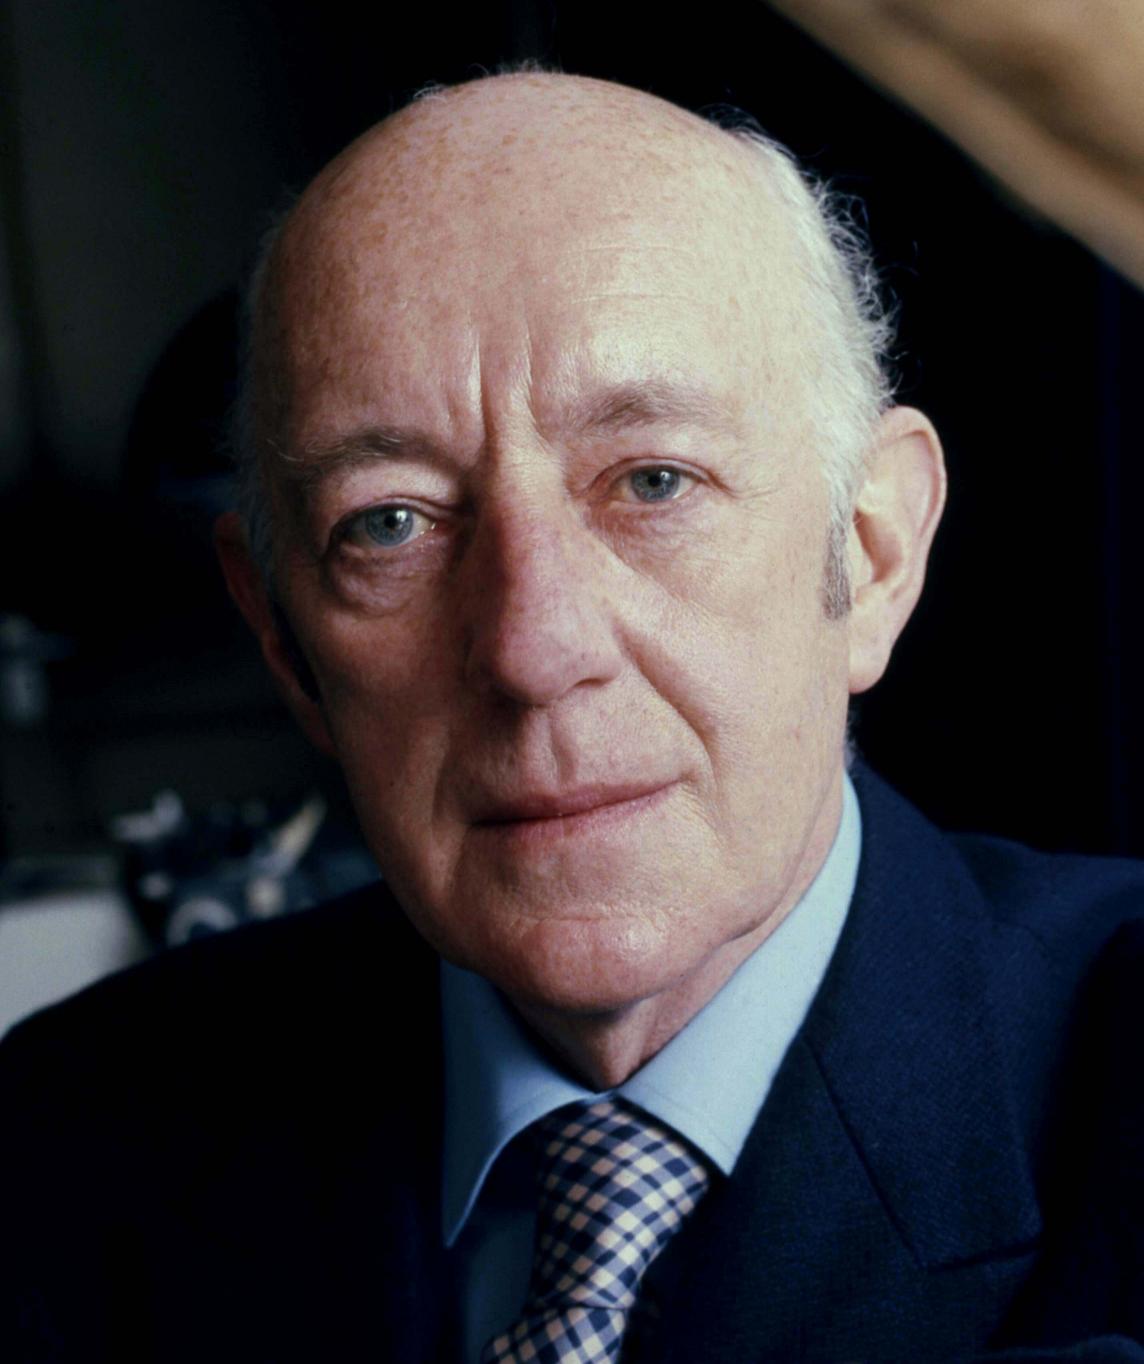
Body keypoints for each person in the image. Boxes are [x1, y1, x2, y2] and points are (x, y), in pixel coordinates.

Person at [2, 71, 1142, 1364]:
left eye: (653, 483)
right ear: (283, 641)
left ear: (873, 553)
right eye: (390, 523)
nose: (535, 651)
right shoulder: (60, 1147)